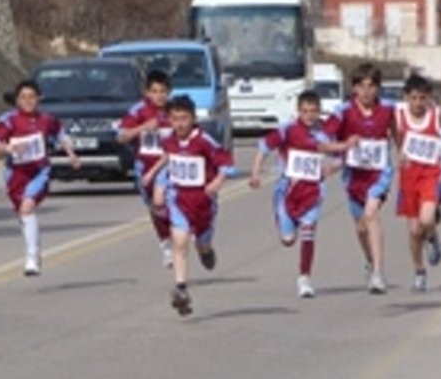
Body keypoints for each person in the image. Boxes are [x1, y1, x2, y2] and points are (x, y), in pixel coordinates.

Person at [249, 90, 356, 298]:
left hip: (313, 191)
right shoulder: (287, 130)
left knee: (309, 232)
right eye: (305, 111)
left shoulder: (324, 132)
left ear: (319, 112)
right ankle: (282, 217)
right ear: (298, 111)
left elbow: (339, 157)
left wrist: (331, 167)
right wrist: (255, 172)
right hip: (288, 190)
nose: (309, 116)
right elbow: (263, 147)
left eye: (313, 111)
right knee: (288, 239)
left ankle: (304, 278)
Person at [142, 95, 235, 316]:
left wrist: (217, 182)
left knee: (201, 242)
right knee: (180, 241)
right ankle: (181, 288)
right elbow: (168, 156)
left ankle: (206, 250)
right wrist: (152, 173)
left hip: (203, 201)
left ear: (193, 119)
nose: (180, 124)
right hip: (180, 199)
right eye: (175, 119)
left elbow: (226, 164)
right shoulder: (169, 140)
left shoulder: (204, 141)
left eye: (184, 118)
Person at [0, 80, 81, 276]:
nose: (28, 101)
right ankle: (33, 250)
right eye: (23, 98)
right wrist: (8, 148)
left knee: (27, 206)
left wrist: (71, 154)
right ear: (17, 100)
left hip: (40, 172)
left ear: (39, 98)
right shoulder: (9, 120)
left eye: (32, 97)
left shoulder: (47, 119)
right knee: (23, 213)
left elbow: (61, 135)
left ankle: (32, 257)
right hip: (15, 173)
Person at [321, 63, 394, 294]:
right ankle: (370, 260)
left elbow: (398, 131)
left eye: (371, 86)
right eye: (361, 86)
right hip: (354, 176)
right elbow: (322, 140)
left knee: (372, 214)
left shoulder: (388, 110)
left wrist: (402, 153)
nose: (366, 92)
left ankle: (379, 273)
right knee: (361, 227)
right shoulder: (343, 111)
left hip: (379, 172)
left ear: (378, 89)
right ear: (353, 88)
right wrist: (342, 148)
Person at [393, 74, 441, 292]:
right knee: (414, 231)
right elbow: (390, 132)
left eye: (422, 98)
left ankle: (432, 237)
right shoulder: (398, 115)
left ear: (428, 99)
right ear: (406, 97)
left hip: (431, 174)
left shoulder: (436, 115)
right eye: (413, 98)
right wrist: (399, 151)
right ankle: (419, 271)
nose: (417, 103)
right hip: (409, 177)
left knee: (426, 218)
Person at [116, 70, 174, 267]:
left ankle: (178, 229)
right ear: (147, 92)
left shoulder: (175, 111)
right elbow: (121, 136)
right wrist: (142, 128)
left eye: (163, 91)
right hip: (144, 166)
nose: (159, 96)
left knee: (162, 200)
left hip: (169, 165)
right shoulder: (138, 111)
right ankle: (165, 242)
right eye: (155, 91)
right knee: (154, 207)